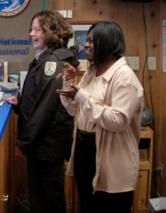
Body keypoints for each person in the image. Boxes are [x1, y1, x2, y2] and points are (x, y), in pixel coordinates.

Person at [57, 21, 143, 213]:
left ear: (108, 43)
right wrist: (70, 82)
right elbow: (76, 110)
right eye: (86, 40)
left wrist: (80, 96)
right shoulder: (92, 71)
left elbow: (117, 120)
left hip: (112, 159)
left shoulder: (125, 77)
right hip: (84, 152)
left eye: (91, 41)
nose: (85, 45)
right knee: (88, 207)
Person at [5, 10, 78, 213]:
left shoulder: (51, 63)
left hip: (45, 145)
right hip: (42, 143)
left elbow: (45, 108)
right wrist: (20, 105)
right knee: (42, 198)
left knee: (48, 199)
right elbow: (38, 100)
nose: (31, 34)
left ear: (51, 32)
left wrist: (23, 143)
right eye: (31, 29)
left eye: (37, 29)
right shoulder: (44, 59)